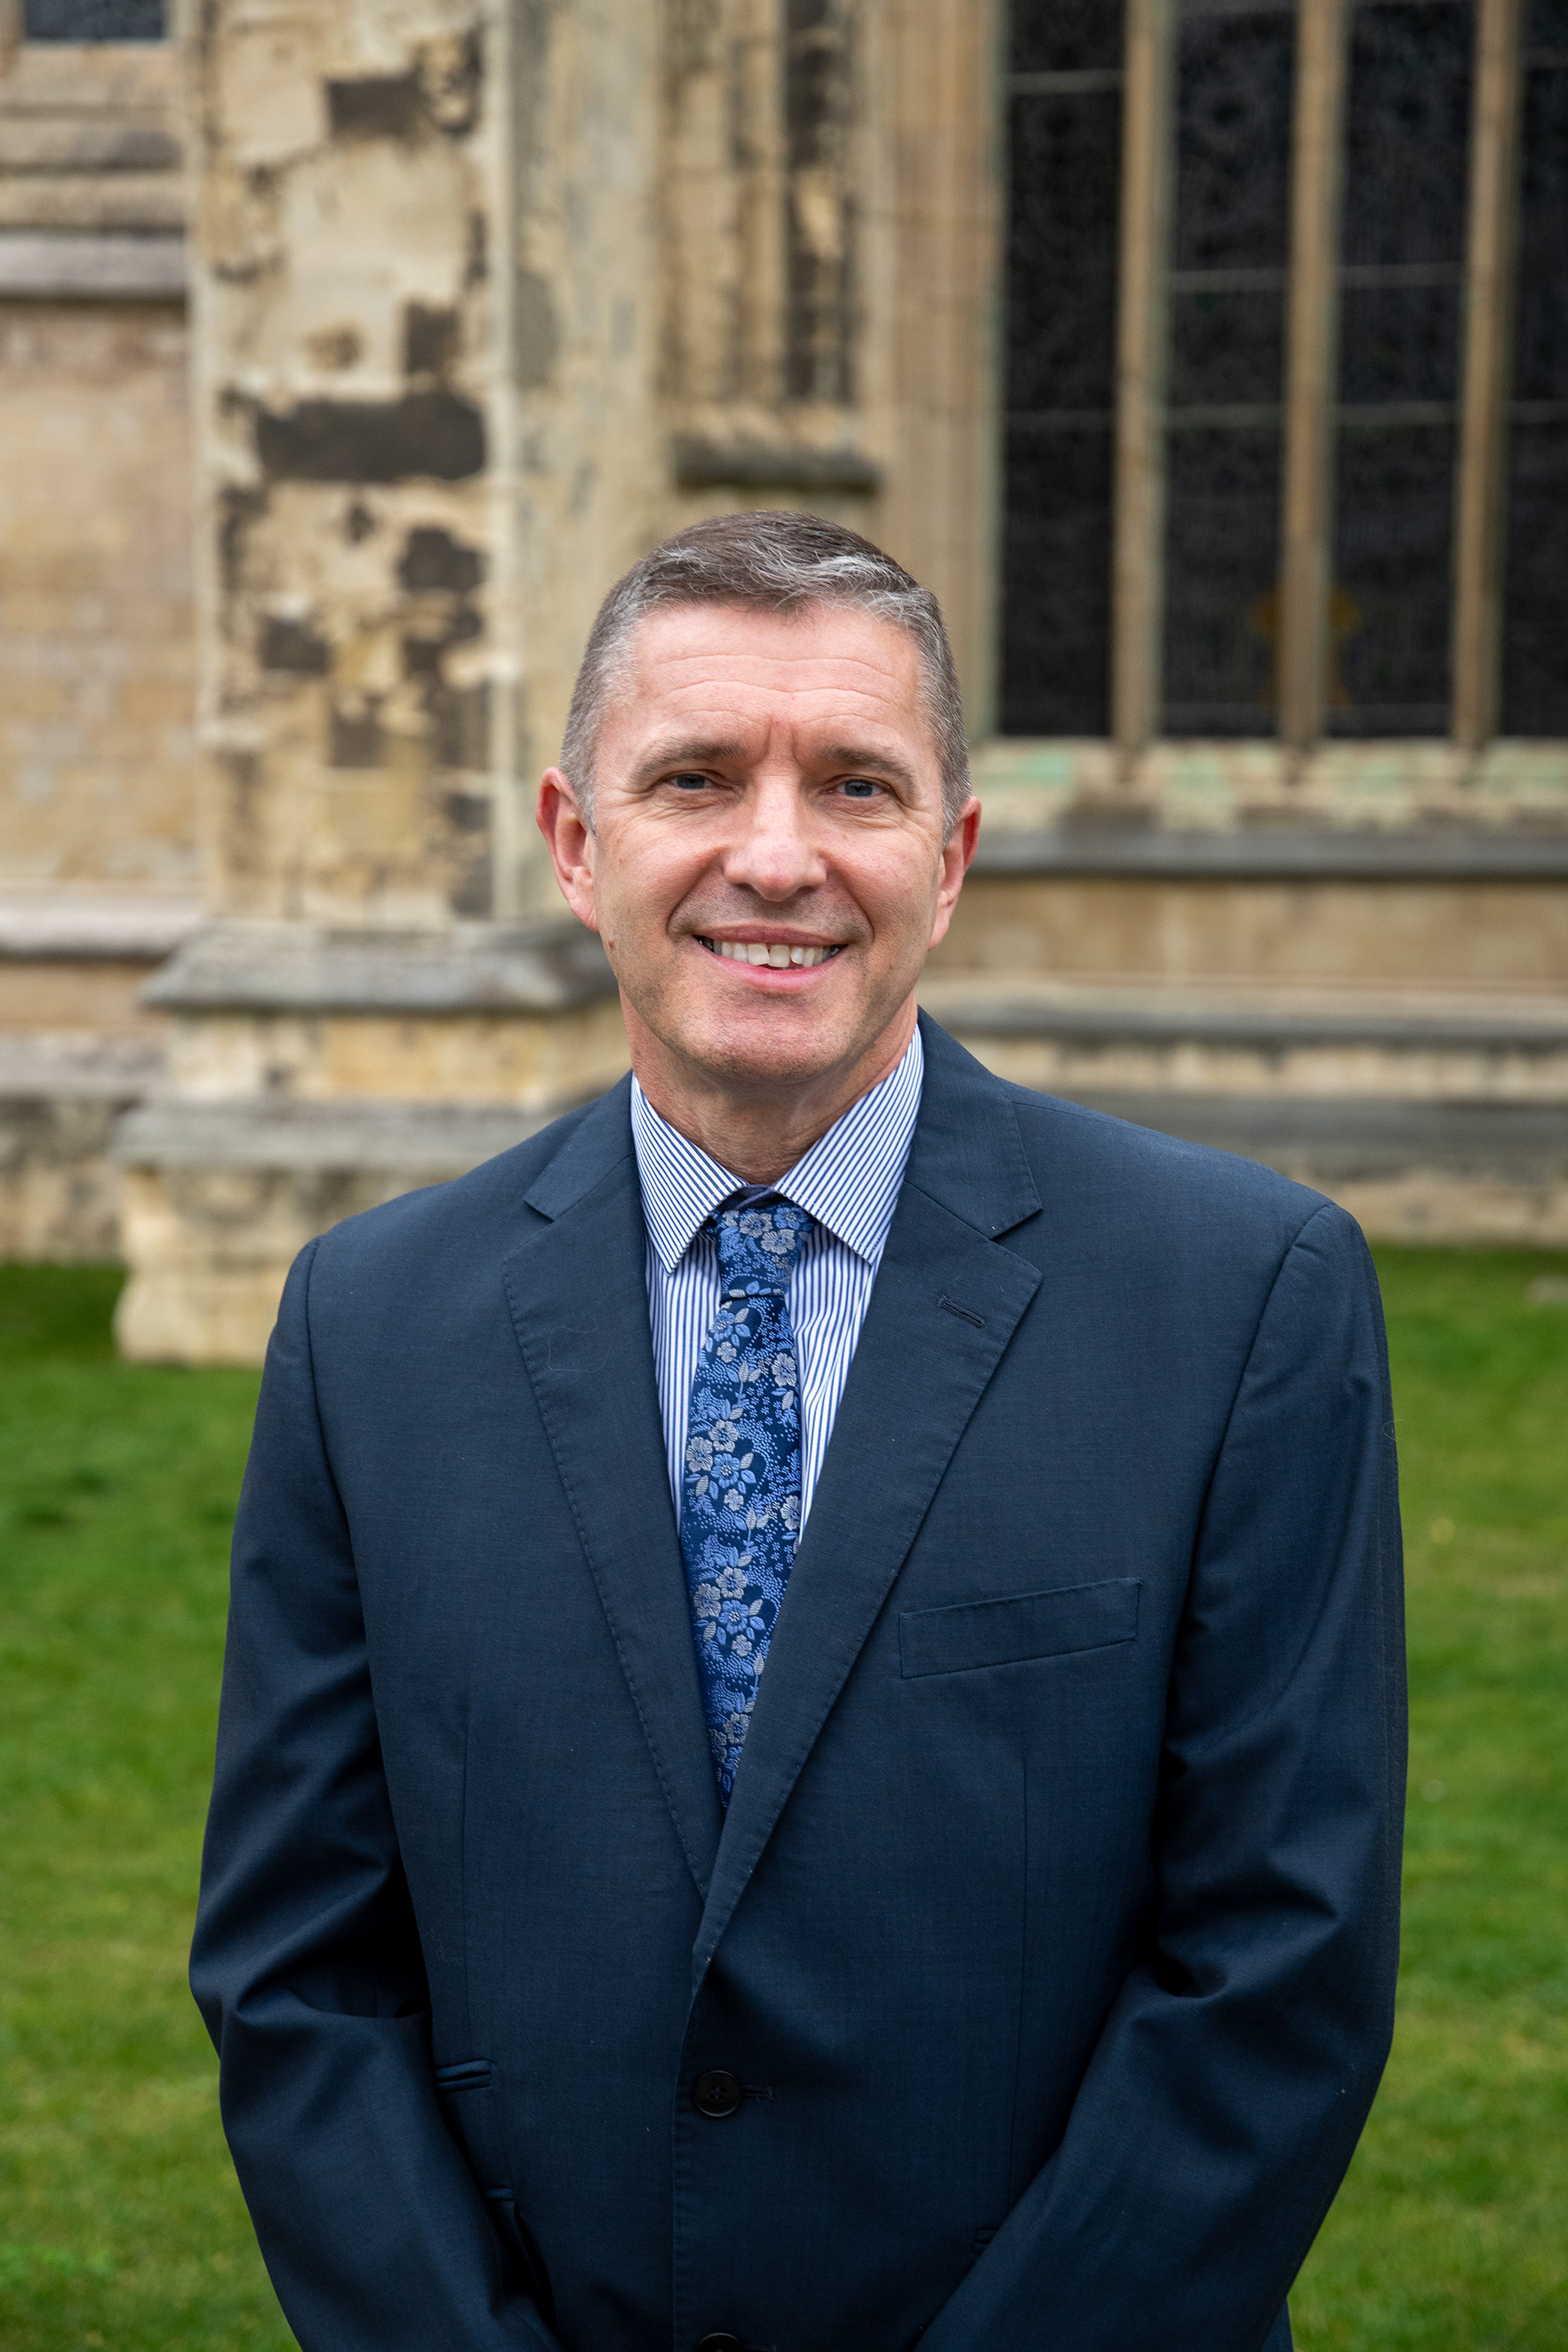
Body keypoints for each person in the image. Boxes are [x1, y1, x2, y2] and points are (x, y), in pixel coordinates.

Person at [190, 511, 1405, 2352]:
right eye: (693, 778)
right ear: (575, 845)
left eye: (855, 783)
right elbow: (300, 1976)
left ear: (953, 853)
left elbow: (1279, 1964)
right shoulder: (367, 1326)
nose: (778, 857)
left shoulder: (1242, 1295)